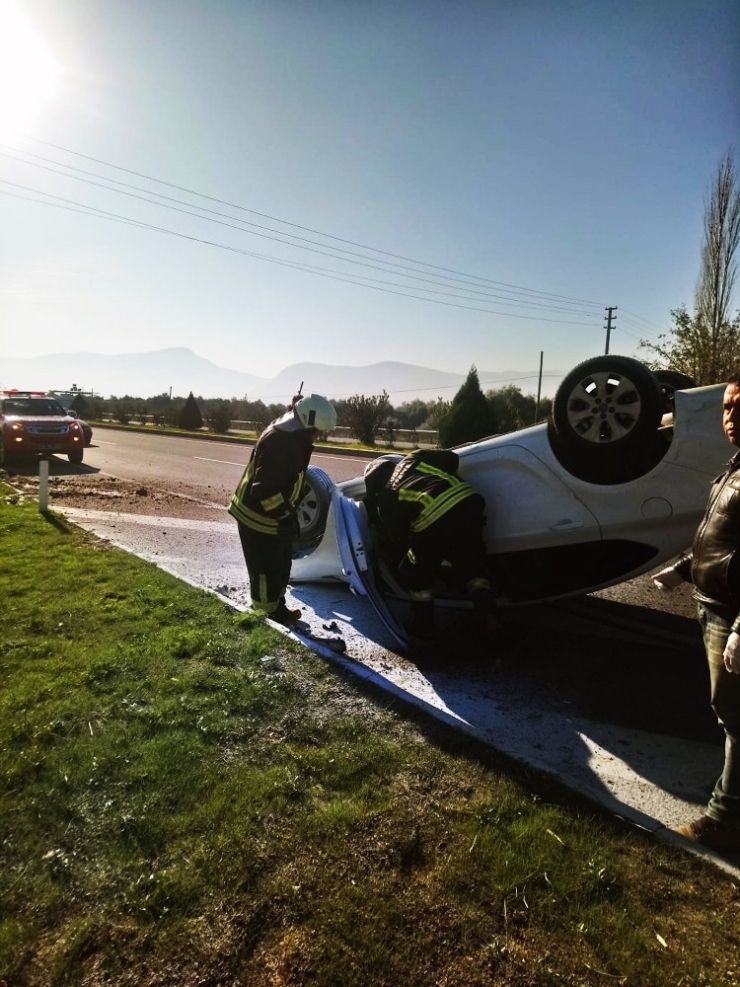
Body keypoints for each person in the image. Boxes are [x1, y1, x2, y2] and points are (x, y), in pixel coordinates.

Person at [653, 373, 740, 852]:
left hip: (732, 614)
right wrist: (682, 570)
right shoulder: (734, 466)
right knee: (727, 710)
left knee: (736, 715)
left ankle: (724, 820)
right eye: (727, 407)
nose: (731, 417)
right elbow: (720, 538)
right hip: (712, 606)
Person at [363, 448, 501, 644]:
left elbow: (397, 539)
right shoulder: (413, 458)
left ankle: (423, 627)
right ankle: (490, 618)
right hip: (467, 500)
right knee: (472, 566)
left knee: (419, 575)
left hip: (434, 517)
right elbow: (452, 459)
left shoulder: (385, 497)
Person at [229, 393, 337, 626]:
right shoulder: (283, 443)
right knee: (266, 568)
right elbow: (265, 490)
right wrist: (285, 517)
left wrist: (286, 516)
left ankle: (277, 606)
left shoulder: (292, 430)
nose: (319, 436)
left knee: (281, 563)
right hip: (257, 515)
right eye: (318, 431)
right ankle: (265, 617)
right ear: (307, 424)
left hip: (273, 514)